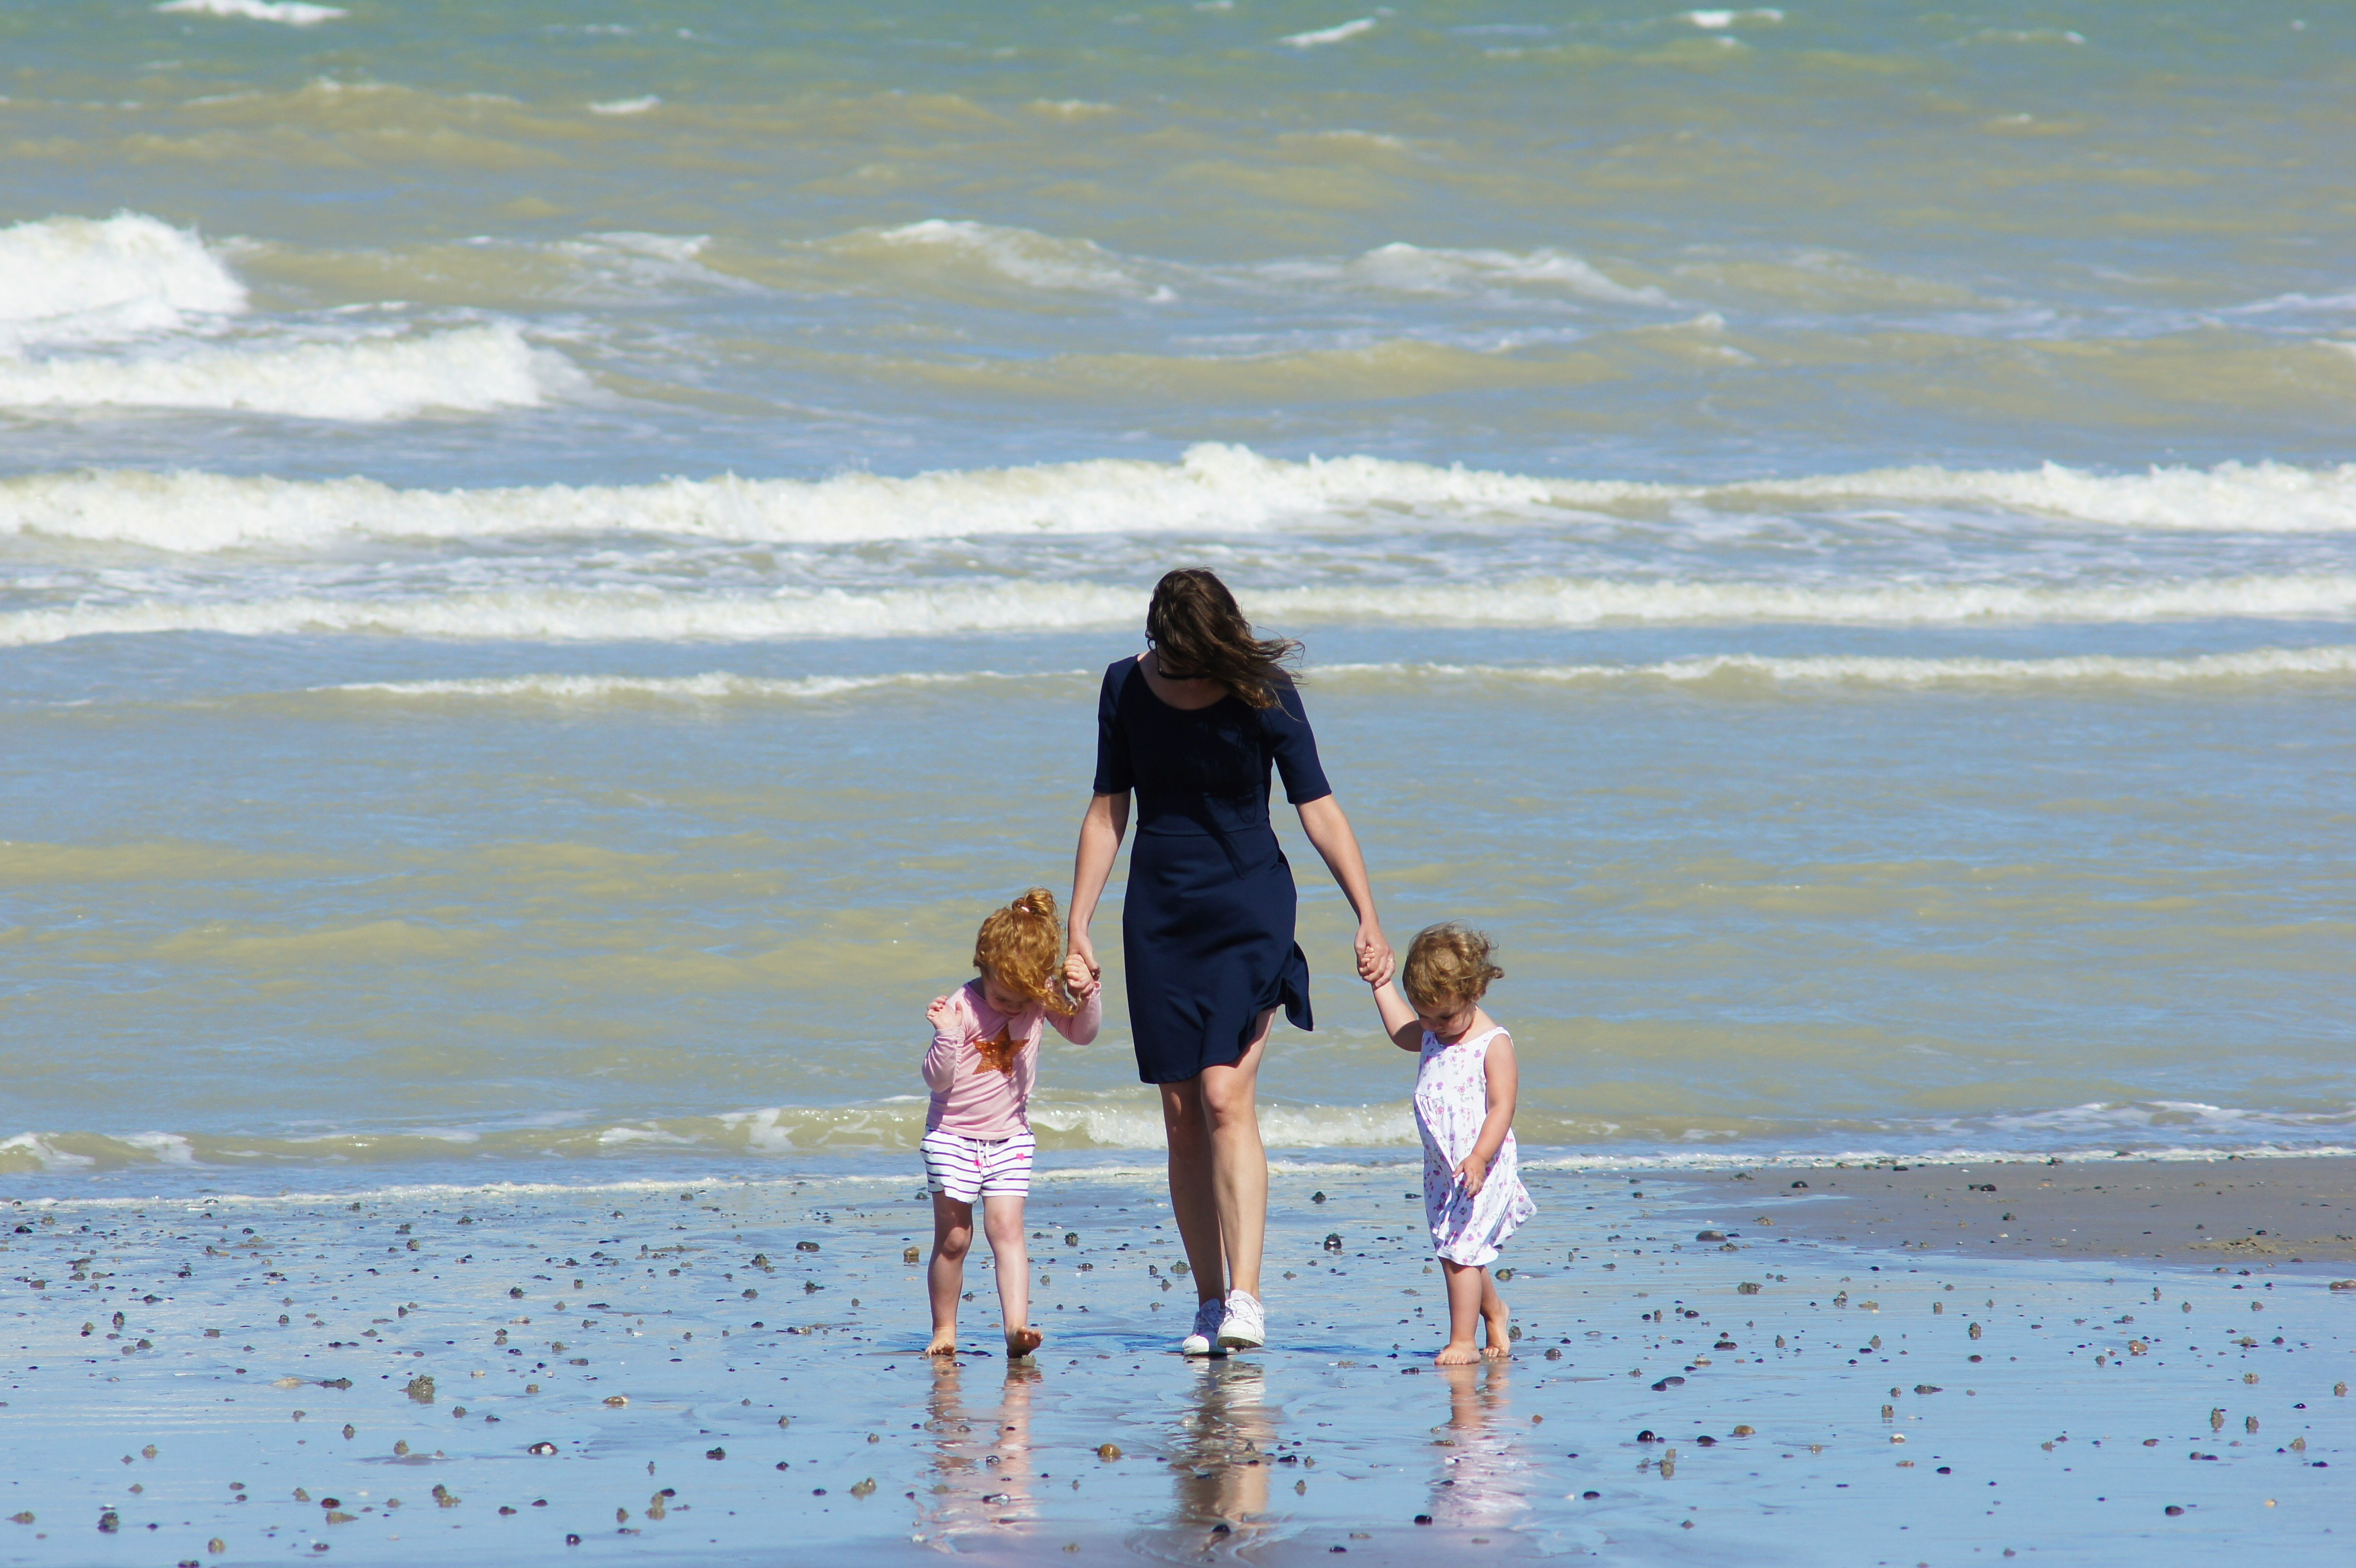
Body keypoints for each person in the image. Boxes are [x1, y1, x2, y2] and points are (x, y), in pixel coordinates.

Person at [1068, 568, 1392, 1357]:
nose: (1180, 670)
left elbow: (1317, 804)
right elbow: (1111, 808)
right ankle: (1209, 1304)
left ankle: (1246, 1297)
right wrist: (1079, 922)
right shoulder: (1124, 687)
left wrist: (1368, 915)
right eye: (1171, 656)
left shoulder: (1264, 690)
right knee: (1181, 1116)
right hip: (1160, 915)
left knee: (1222, 1096)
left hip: (1249, 905)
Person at [920, 888, 1102, 1359]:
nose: (1012, 1009)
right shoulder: (961, 1005)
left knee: (1007, 1230)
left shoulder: (1037, 1000)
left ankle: (1016, 1328)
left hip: (1010, 1138)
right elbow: (937, 1080)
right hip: (952, 1135)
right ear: (984, 966)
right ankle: (944, 1328)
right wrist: (946, 1036)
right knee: (955, 1238)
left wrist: (1087, 993)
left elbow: (1083, 1034)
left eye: (1024, 1000)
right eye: (1003, 996)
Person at [1368, 921, 1535, 1364]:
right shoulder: (1430, 1029)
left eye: (1443, 1017)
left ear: (1474, 992)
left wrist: (1480, 1158)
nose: (1433, 1027)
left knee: (1460, 1254)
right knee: (1455, 1252)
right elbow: (1402, 1031)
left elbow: (1502, 1107)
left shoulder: (1492, 1044)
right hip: (1443, 1167)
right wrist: (1380, 985)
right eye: (1424, 1014)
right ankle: (1495, 1310)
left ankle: (1462, 1340)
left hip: (1482, 1163)